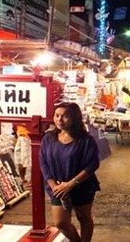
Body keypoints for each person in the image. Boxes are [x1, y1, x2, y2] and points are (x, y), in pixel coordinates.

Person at [39, 103, 100, 242]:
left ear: (75, 118)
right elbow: (43, 162)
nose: (59, 120)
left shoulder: (85, 139)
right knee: (61, 222)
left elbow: (93, 164)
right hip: (57, 188)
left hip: (82, 186)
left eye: (65, 116)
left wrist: (71, 184)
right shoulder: (48, 138)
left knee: (84, 217)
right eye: (57, 115)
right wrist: (54, 185)